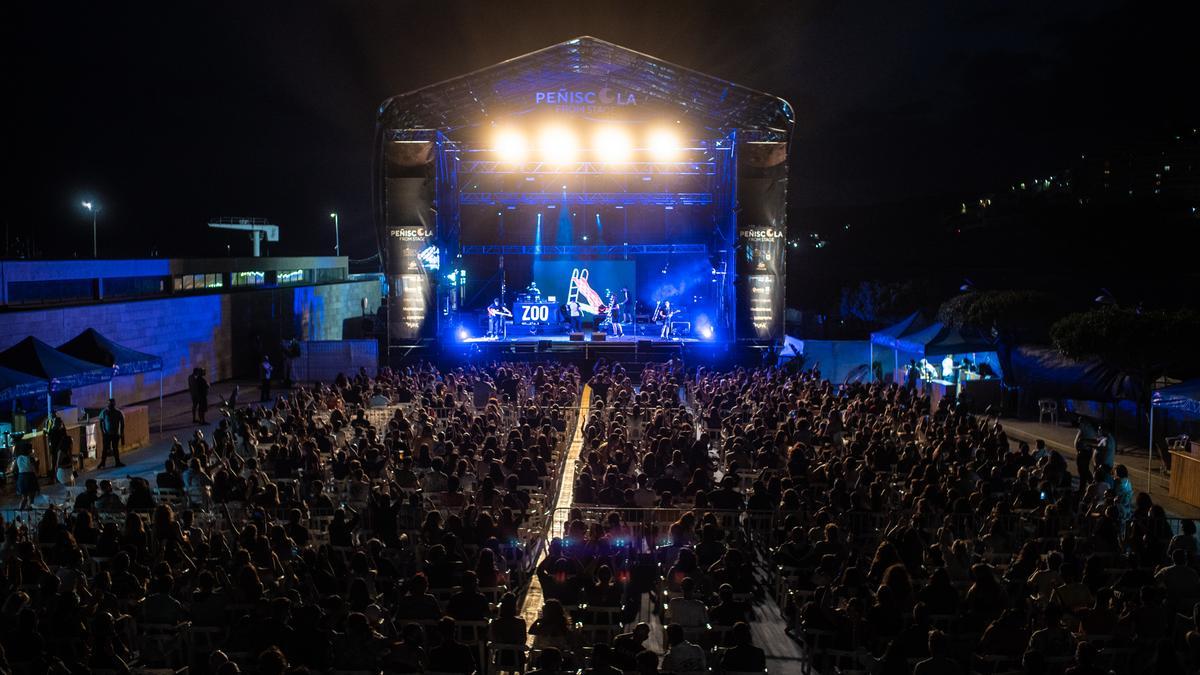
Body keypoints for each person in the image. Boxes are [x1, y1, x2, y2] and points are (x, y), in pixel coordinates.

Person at [98, 398, 126, 468]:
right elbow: (101, 422)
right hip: (107, 434)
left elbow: (122, 423)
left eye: (112, 403)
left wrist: (121, 433)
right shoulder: (104, 412)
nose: (111, 405)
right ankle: (103, 462)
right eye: (110, 403)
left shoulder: (118, 412)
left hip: (115, 433)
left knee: (115, 448)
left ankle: (117, 462)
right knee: (105, 449)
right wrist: (103, 432)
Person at [14, 444, 39, 510]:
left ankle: (19, 514)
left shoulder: (18, 458)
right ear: (27, 449)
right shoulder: (31, 458)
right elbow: (35, 470)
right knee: (31, 498)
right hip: (30, 477)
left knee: (24, 498)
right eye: (30, 449)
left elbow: (15, 469)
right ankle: (30, 515)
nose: (31, 450)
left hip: (21, 477)